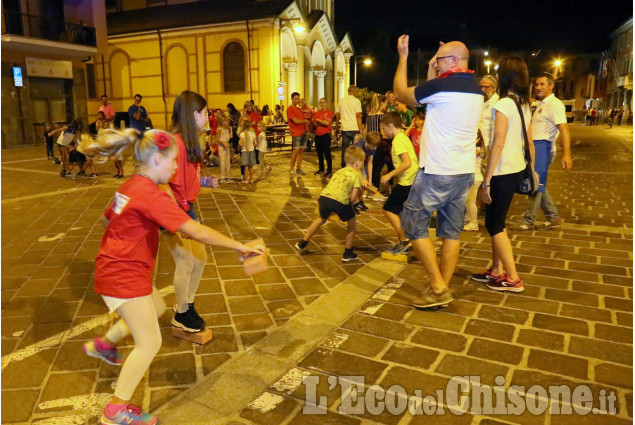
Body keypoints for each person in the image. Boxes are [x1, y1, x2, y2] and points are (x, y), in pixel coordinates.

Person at [80, 128, 263, 425]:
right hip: (123, 276)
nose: (177, 168)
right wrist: (240, 246)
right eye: (173, 162)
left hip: (115, 268)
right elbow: (196, 231)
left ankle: (104, 345)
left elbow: (105, 219)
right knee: (149, 343)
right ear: (155, 159)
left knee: (157, 308)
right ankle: (115, 411)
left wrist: (134, 230)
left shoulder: (128, 187)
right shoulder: (151, 195)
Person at [393, 35, 483, 309]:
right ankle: (440, 289)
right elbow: (430, 84)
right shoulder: (475, 87)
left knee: (412, 224)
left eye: (440, 60)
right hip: (463, 173)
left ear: (454, 61)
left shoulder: (444, 86)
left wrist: (403, 56)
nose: (436, 64)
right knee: (451, 232)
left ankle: (438, 286)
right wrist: (436, 59)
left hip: (437, 172)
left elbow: (401, 93)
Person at [471, 56, 536, 293]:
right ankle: (496, 269)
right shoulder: (524, 103)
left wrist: (486, 180)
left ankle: (513, 277)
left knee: (494, 223)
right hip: (517, 168)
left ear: (504, 77)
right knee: (498, 220)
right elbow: (529, 141)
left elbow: (497, 143)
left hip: (502, 171)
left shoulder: (504, 104)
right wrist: (534, 170)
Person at [163, 91, 218, 333]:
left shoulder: (189, 141)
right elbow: (163, 182)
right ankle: (182, 314)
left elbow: (187, 179)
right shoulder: (175, 144)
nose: (208, 117)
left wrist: (204, 183)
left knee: (201, 258)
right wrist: (179, 214)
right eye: (206, 113)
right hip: (173, 212)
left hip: (186, 208)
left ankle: (187, 304)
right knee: (185, 262)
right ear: (195, 114)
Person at [515, 72, 572, 231]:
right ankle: (553, 217)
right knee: (538, 183)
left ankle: (528, 220)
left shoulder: (554, 104)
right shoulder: (542, 104)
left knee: (535, 182)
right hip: (535, 147)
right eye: (537, 84)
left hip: (544, 147)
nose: (538, 87)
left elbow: (564, 128)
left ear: (551, 85)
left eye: (542, 84)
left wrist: (567, 154)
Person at [294, 146, 365, 262]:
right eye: (362, 163)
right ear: (358, 163)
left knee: (321, 218)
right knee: (352, 225)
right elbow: (354, 195)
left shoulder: (339, 171)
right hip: (340, 202)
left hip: (324, 198)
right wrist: (350, 204)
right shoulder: (356, 175)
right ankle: (348, 253)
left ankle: (303, 242)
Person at [379, 112, 419, 254]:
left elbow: (406, 163)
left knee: (388, 209)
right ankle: (404, 240)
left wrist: (388, 175)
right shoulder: (402, 136)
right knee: (399, 211)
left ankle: (403, 241)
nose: (383, 133)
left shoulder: (397, 140)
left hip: (407, 181)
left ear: (390, 126)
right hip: (411, 180)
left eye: (384, 129)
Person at [335, 86, 363, 169]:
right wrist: (360, 128)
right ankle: (355, 165)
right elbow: (358, 116)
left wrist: (337, 127)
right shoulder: (356, 101)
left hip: (345, 128)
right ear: (354, 92)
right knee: (356, 148)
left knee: (345, 148)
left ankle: (344, 165)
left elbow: (337, 115)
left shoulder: (341, 101)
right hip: (355, 128)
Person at [463, 130, 486, 231]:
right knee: (468, 201)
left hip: (475, 178)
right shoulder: (476, 148)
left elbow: (468, 157)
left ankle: (473, 223)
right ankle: (468, 219)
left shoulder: (478, 149)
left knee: (471, 201)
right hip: (472, 177)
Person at [353, 131, 381, 205]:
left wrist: (370, 179)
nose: (375, 148)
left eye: (376, 146)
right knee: (357, 181)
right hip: (352, 162)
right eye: (373, 146)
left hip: (361, 162)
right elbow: (356, 166)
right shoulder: (359, 147)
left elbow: (370, 162)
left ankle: (359, 200)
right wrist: (363, 179)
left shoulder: (373, 147)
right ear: (367, 142)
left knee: (365, 182)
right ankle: (355, 201)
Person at [287, 92, 309, 175]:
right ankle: (291, 168)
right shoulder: (290, 109)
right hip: (296, 132)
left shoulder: (299, 109)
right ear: (292, 99)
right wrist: (305, 121)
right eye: (295, 99)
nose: (297, 100)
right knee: (296, 150)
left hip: (303, 131)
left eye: (298, 98)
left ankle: (298, 168)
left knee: (301, 150)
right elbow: (295, 120)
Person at [312, 97, 334, 177]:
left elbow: (327, 123)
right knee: (319, 153)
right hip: (318, 135)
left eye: (324, 102)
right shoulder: (317, 113)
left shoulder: (329, 112)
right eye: (320, 102)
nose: (322, 104)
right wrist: (322, 122)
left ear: (326, 103)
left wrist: (318, 121)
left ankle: (329, 170)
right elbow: (314, 124)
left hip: (326, 134)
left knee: (327, 153)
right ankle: (321, 169)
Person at [479, 75, 499, 151]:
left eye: (486, 87)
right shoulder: (481, 100)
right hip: (478, 144)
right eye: (481, 86)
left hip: (488, 145)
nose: (483, 89)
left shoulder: (497, 103)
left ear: (494, 88)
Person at [217, 116, 232, 182]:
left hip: (227, 145)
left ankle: (227, 175)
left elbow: (230, 137)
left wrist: (230, 130)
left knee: (227, 161)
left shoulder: (227, 129)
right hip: (222, 145)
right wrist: (223, 143)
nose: (227, 122)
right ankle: (222, 175)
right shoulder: (219, 129)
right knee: (222, 161)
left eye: (227, 121)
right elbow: (217, 139)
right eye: (225, 121)